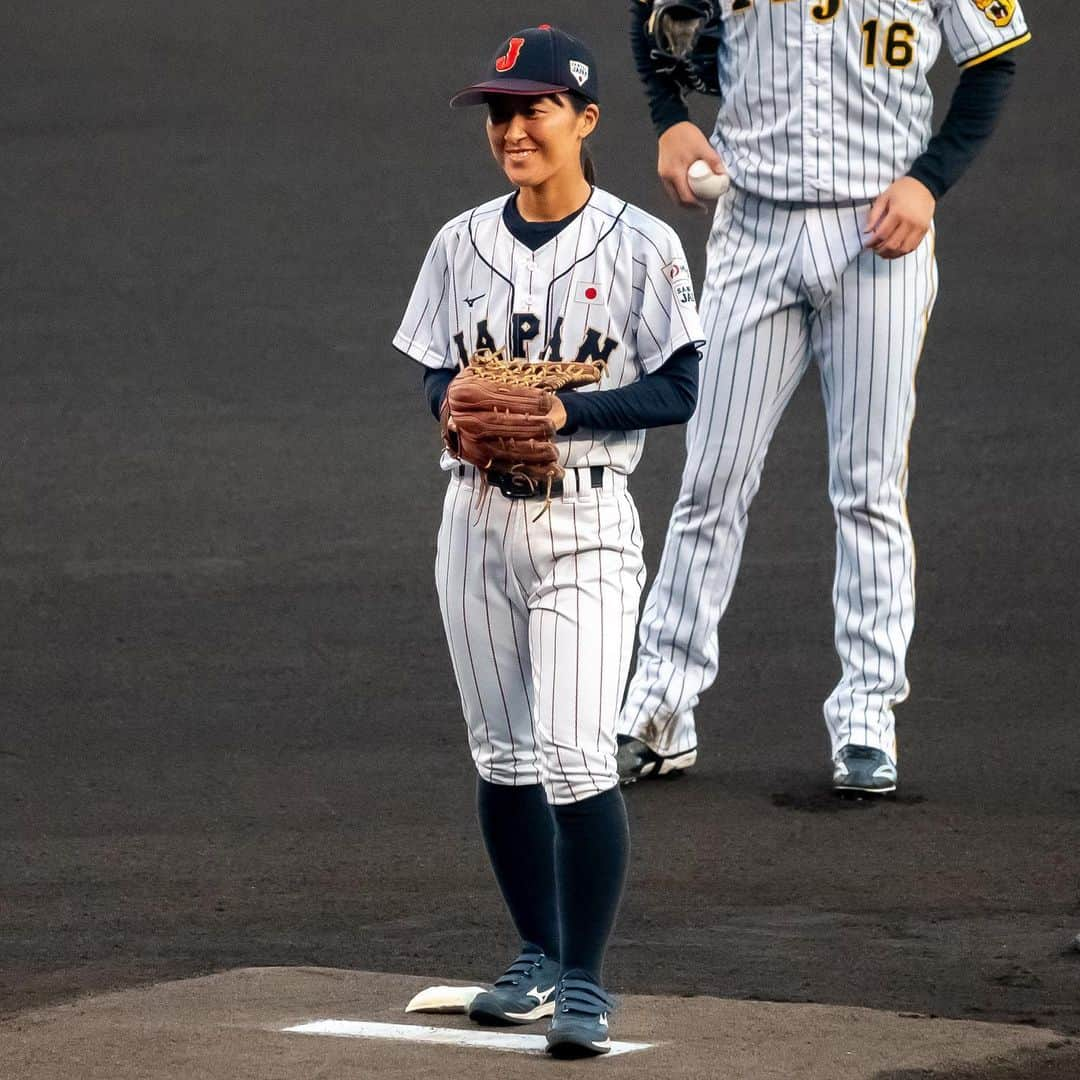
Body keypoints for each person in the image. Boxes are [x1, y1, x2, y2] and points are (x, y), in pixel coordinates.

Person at [617, 0, 1030, 794]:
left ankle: (868, 719)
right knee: (711, 480)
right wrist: (669, 116)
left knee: (869, 488)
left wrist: (928, 180)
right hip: (752, 228)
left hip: (880, 233)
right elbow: (656, 13)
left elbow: (996, 56)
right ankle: (659, 709)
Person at [393, 25, 705, 1057]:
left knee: (576, 756)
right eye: (499, 111)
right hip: (472, 521)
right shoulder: (458, 243)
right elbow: (437, 370)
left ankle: (585, 980)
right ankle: (534, 956)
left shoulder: (641, 246)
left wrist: (572, 414)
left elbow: (680, 386)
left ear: (586, 119)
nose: (512, 128)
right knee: (505, 757)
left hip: (586, 524)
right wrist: (455, 404)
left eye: (532, 109)